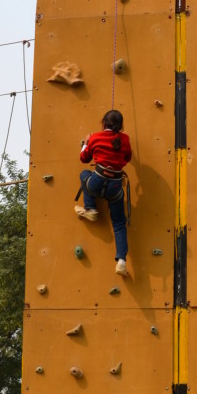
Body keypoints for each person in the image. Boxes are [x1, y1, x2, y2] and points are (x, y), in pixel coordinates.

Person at [75, 110, 132, 276]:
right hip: (115, 187)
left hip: (97, 180)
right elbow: (127, 158)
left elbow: (84, 159)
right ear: (120, 125)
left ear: (103, 123)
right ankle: (121, 261)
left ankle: (91, 208)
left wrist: (86, 143)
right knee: (119, 223)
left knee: (84, 174)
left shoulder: (95, 137)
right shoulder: (125, 139)